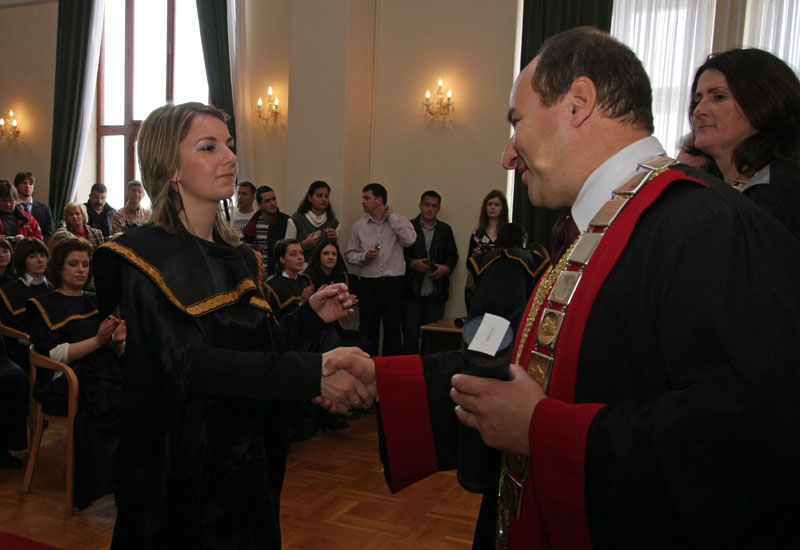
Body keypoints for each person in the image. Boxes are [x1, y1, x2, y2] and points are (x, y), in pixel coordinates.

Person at [336, 28, 800, 549]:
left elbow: (743, 442)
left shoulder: (708, 227)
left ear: (579, 103)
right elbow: (536, 361)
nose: (509, 156)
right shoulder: (609, 225)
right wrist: (386, 379)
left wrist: (543, 430)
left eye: (517, 124)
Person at [92, 102, 375, 549]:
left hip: (248, 459)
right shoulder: (141, 256)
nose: (229, 156)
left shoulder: (240, 256)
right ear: (170, 167)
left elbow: (258, 348)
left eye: (229, 144)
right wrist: (314, 371)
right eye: (208, 147)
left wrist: (308, 317)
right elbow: (192, 367)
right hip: (179, 468)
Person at [27, 236, 124, 510]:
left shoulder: (97, 302)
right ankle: (97, 486)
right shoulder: (44, 304)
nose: (81, 269)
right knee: (103, 397)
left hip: (103, 374)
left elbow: (112, 349)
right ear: (59, 268)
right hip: (65, 384)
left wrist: (118, 340)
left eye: (85, 264)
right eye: (73, 264)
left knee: (136, 393)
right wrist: (96, 341)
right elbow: (51, 355)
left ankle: (126, 482)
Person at [690, 48, 800, 241]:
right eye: (697, 100)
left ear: (765, 102)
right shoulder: (710, 188)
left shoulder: (781, 193)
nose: (699, 110)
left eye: (719, 97)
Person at [344, 183, 416, 356]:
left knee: (393, 331)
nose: (362, 202)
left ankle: (390, 373)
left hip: (394, 285)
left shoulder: (400, 221)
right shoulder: (359, 226)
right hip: (368, 285)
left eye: (366, 198)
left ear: (379, 200)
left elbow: (410, 240)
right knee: (368, 330)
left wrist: (393, 218)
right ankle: (368, 368)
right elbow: (349, 254)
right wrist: (364, 257)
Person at [402, 190, 458, 354]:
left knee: (432, 339)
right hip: (411, 290)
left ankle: (429, 375)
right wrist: (413, 263)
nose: (429, 209)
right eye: (426, 205)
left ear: (438, 208)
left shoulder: (445, 230)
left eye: (434, 206)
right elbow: (398, 253)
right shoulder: (408, 227)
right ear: (420, 206)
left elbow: (453, 255)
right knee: (410, 338)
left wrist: (445, 268)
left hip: (436, 291)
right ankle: (411, 375)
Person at [466, 222, 547, 319]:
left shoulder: (484, 258)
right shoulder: (530, 258)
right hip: (514, 309)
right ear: (523, 240)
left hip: (481, 309)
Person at [0, 238, 53, 371]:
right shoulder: (9, 292)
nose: (40, 260)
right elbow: (10, 330)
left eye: (42, 255)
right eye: (32, 256)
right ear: (23, 260)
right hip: (24, 349)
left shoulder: (54, 287)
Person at [285, 180, 340, 263]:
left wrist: (334, 241)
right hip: (302, 269)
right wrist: (303, 245)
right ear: (310, 197)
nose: (324, 199)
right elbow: (286, 249)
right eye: (319, 196)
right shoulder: (296, 220)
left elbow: (335, 252)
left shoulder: (334, 223)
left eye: (326, 196)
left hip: (325, 270)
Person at [243, 185, 289, 276]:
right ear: (259, 205)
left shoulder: (286, 221)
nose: (273, 203)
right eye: (267, 201)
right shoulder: (252, 224)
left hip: (279, 274)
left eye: (274, 199)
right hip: (258, 273)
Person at [265, 239, 314, 321]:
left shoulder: (305, 281)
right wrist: (301, 303)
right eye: (293, 254)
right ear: (282, 259)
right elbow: (274, 321)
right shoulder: (271, 285)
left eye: (301, 253)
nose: (300, 257)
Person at [467, 190, 509, 261]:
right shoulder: (477, 234)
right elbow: (468, 264)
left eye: (497, 205)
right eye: (489, 204)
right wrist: (474, 256)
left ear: (503, 208)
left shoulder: (508, 233)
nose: (492, 207)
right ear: (485, 207)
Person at [13, 172, 55, 242]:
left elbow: (49, 233)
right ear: (17, 186)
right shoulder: (11, 208)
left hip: (39, 247)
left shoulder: (44, 209)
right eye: (24, 183)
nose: (28, 186)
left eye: (30, 184)